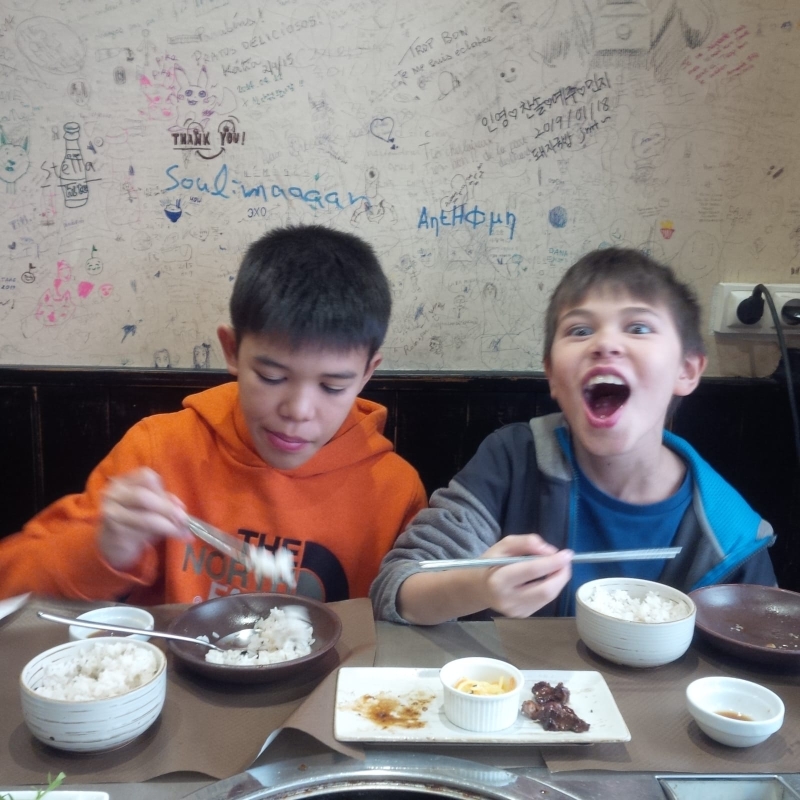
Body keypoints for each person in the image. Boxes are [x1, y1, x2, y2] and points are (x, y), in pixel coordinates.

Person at [0, 225, 427, 605]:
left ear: (367, 373)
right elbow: (12, 580)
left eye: (332, 387)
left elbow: (401, 633)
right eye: (272, 376)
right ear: (232, 350)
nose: (298, 411)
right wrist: (103, 548)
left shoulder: (393, 490)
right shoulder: (160, 451)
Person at [370, 247, 777, 625]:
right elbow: (396, 587)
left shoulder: (730, 533)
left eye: (638, 327)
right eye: (580, 331)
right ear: (551, 374)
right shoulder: (513, 460)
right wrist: (478, 585)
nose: (605, 344)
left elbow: (760, 644)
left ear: (686, 370)